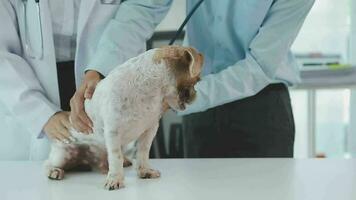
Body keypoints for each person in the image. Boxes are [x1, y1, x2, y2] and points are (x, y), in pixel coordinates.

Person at [88, 0, 315, 158]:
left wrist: (181, 98)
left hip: (261, 108)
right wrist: (100, 70)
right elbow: (143, 8)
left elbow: (259, 65)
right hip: (199, 107)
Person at [0, 0, 170, 160]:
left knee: (114, 178)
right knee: (38, 184)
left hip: (109, 72)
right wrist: (40, 114)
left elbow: (145, 5)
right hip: (26, 85)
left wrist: (103, 66)